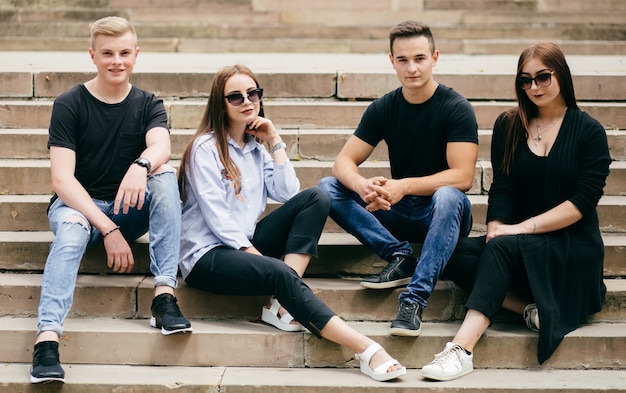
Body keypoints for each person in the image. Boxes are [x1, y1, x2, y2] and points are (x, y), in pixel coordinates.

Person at [177, 64, 406, 382]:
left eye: (253, 93)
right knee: (278, 271)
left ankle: (281, 302)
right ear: (220, 103)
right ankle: (366, 349)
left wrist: (274, 141)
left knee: (316, 198)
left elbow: (288, 193)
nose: (247, 101)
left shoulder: (256, 147)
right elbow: (216, 216)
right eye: (235, 96)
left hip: (247, 240)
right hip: (206, 255)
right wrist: (256, 258)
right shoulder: (205, 148)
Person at [421, 42, 611, 381]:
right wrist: (497, 226)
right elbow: (503, 188)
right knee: (446, 252)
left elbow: (581, 204)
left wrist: (519, 229)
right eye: (525, 80)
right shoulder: (509, 125)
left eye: (542, 77)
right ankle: (529, 310)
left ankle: (461, 349)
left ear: (561, 75)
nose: (534, 87)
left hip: (571, 247)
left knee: (503, 245)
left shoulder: (589, 132)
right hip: (520, 245)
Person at [30, 16, 192, 384]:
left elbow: (162, 145)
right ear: (93, 55)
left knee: (164, 175)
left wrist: (141, 166)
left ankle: (164, 296)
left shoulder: (148, 103)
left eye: (123, 52)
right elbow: (62, 179)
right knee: (70, 234)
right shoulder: (69, 104)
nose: (116, 60)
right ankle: (47, 340)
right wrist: (107, 228)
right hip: (78, 209)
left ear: (136, 55)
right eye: (107, 53)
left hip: (126, 207)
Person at [318, 20, 478, 336]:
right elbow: (343, 162)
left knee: (448, 195)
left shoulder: (455, 108)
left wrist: (403, 186)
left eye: (419, 58)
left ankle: (414, 300)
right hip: (398, 212)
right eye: (402, 60)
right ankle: (398, 255)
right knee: (328, 187)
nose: (412, 68)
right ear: (392, 61)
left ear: (435, 58)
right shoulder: (384, 107)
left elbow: (463, 176)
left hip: (441, 213)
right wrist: (362, 185)